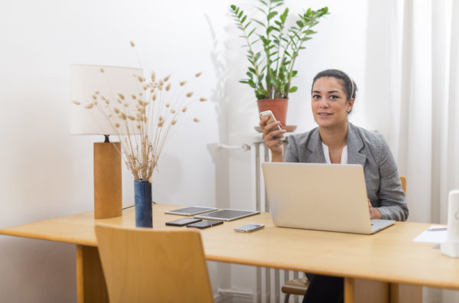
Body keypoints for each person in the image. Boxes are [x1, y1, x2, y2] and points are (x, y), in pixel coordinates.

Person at [259, 69, 409, 303]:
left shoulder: (376, 145)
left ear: (349, 104)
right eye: (316, 96)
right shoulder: (298, 145)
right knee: (335, 271)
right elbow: (284, 207)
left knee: (339, 272)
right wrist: (277, 153)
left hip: (366, 248)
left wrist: (374, 213)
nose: (323, 104)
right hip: (317, 251)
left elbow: (399, 208)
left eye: (333, 96)